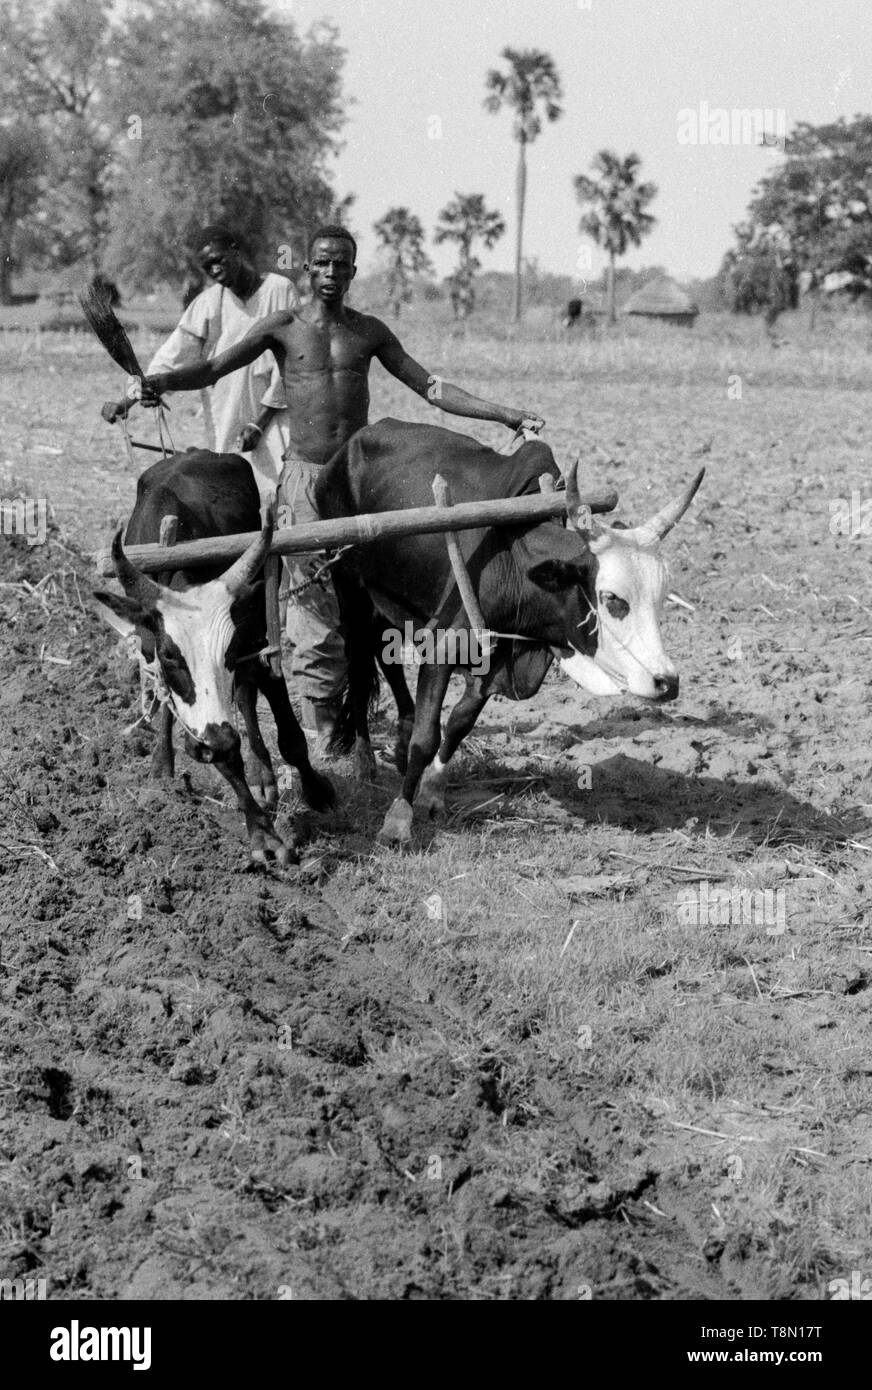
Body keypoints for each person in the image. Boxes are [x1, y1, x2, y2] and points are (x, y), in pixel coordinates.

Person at [134, 225, 544, 748]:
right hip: (304, 481)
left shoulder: (368, 332)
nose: (331, 274)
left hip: (359, 479)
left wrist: (504, 414)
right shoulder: (281, 327)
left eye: (341, 265)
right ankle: (320, 716)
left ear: (353, 271)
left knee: (374, 596)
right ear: (307, 269)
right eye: (322, 264)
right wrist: (162, 381)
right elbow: (214, 367)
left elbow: (431, 387)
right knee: (308, 599)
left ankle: (388, 706)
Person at [104, 225, 298, 503]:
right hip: (227, 412)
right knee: (235, 496)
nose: (216, 269)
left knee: (282, 490)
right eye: (208, 266)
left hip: (277, 412)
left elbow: (292, 362)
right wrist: (127, 401)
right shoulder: (207, 304)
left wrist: (260, 422)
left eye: (219, 259)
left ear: (236, 250)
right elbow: (170, 357)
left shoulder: (279, 289)